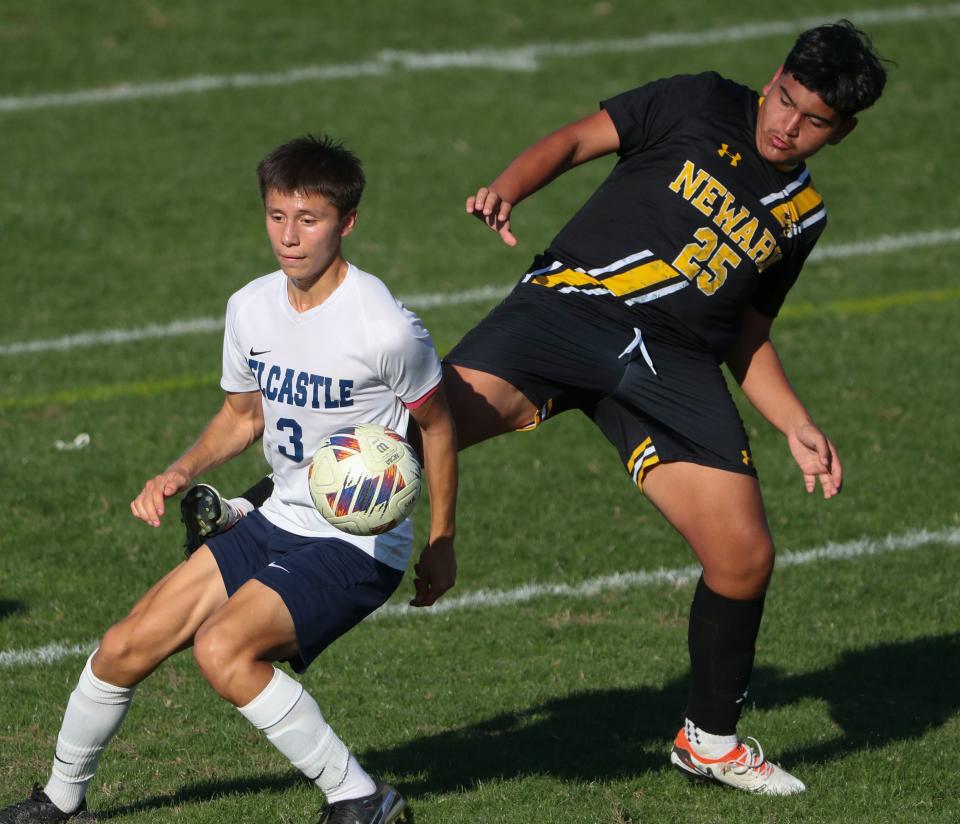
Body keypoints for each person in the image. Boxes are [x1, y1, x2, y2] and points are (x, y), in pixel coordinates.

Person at [177, 19, 888, 797]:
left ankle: (709, 741)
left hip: (671, 370)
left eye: (813, 120)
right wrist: (509, 186)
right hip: (567, 312)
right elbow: (579, 139)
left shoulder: (802, 215)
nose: (787, 125)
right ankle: (258, 508)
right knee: (415, 425)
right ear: (775, 73)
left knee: (744, 558)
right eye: (786, 98)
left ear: (842, 132)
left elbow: (748, 338)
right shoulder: (700, 100)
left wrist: (795, 422)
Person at [0, 135, 458, 824]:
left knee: (223, 649)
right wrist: (180, 468)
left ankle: (361, 799)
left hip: (358, 544)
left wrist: (442, 540)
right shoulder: (250, 307)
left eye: (309, 219)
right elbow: (242, 416)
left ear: (347, 222)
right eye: (277, 217)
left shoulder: (385, 328)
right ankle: (61, 802)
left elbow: (442, 429)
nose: (290, 237)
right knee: (124, 646)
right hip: (276, 520)